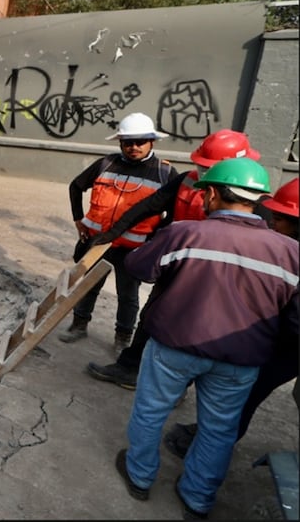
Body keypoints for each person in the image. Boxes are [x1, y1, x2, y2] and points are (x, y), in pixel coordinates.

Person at [115, 158, 297, 519]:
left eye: (204, 194)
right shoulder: (292, 253)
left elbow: (138, 267)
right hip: (241, 360)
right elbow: (294, 320)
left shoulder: (185, 233)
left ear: (212, 193)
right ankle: (197, 497)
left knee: (151, 410)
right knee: (220, 430)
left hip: (174, 347)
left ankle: (139, 476)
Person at [85, 129, 263, 388]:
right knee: (152, 315)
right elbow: (148, 206)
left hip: (217, 278)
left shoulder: (254, 200)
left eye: (211, 167)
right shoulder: (186, 181)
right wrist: (111, 234)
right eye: (203, 166)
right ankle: (130, 367)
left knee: (195, 329)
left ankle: (177, 386)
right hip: (177, 266)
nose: (204, 173)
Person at [162, 176, 299, 459]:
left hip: (286, 347)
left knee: (246, 397)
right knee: (234, 398)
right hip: (274, 340)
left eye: (279, 219)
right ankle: (208, 443)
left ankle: (207, 452)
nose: (272, 223)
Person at [59, 112, 179, 347]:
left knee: (127, 295)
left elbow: (173, 213)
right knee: (88, 287)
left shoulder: (165, 173)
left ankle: (122, 338)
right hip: (99, 242)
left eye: (140, 142)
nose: (134, 147)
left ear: (152, 142)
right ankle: (79, 325)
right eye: (128, 142)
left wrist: (154, 239)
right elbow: (76, 186)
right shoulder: (106, 164)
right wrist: (78, 218)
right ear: (120, 143)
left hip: (133, 249)